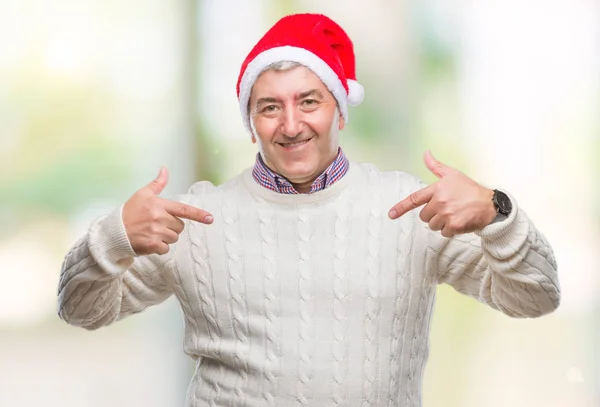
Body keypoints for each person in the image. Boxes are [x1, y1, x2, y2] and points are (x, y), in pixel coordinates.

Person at [57, 13, 560, 407]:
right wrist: (113, 235)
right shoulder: (194, 219)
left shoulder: (410, 210)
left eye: (309, 101)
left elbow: (536, 299)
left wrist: (498, 214)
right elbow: (80, 311)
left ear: (340, 108)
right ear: (251, 123)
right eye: (270, 106)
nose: (291, 124)